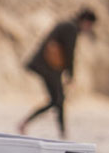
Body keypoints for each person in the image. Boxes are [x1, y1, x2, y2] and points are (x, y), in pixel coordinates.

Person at [19, 8, 97, 138]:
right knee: (58, 100)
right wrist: (70, 74)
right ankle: (60, 132)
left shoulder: (68, 25)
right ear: (86, 21)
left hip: (48, 67)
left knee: (57, 100)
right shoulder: (71, 29)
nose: (88, 29)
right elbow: (69, 53)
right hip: (48, 68)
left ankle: (29, 124)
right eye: (90, 25)